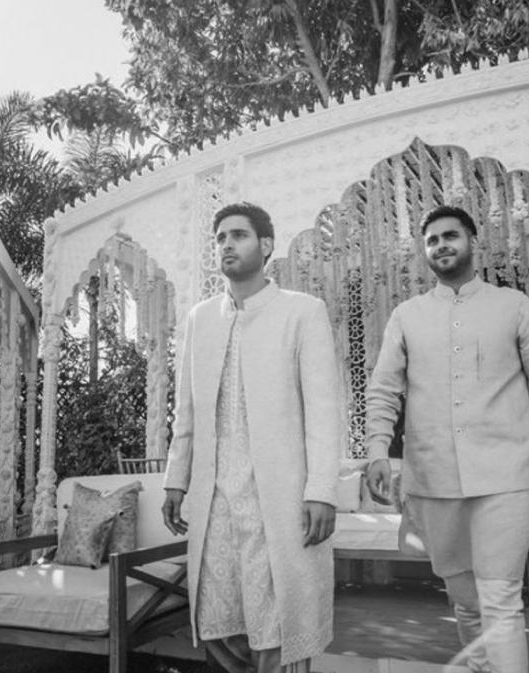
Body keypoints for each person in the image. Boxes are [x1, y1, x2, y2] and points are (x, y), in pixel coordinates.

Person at [364, 205, 529, 673]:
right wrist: (377, 449)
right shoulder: (407, 316)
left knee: (500, 600)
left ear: (472, 241)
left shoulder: (514, 306)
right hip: (434, 477)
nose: (441, 245)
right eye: (432, 240)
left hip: (507, 476)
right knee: (465, 600)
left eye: (450, 236)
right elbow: (383, 390)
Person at [162, 201, 342, 673]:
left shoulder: (302, 312)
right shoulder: (201, 318)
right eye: (220, 238)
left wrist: (322, 490)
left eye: (238, 235)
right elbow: (187, 410)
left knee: (278, 618)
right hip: (216, 497)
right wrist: (176, 479)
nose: (226, 244)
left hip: (277, 496)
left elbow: (324, 411)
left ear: (266, 246)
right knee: (220, 619)